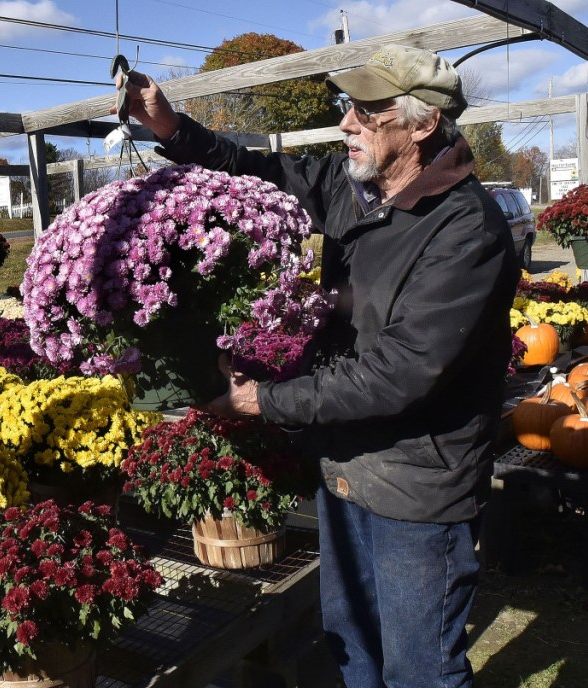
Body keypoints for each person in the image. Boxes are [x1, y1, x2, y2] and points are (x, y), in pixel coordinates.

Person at [114, 44, 519, 687]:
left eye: (366, 110)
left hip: (416, 484)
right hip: (344, 463)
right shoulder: (354, 187)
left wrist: (259, 402)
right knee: (351, 648)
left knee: (420, 671)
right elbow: (251, 170)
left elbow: (399, 371)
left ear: (421, 124)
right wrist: (169, 127)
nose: (345, 124)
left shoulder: (467, 232)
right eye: (345, 107)